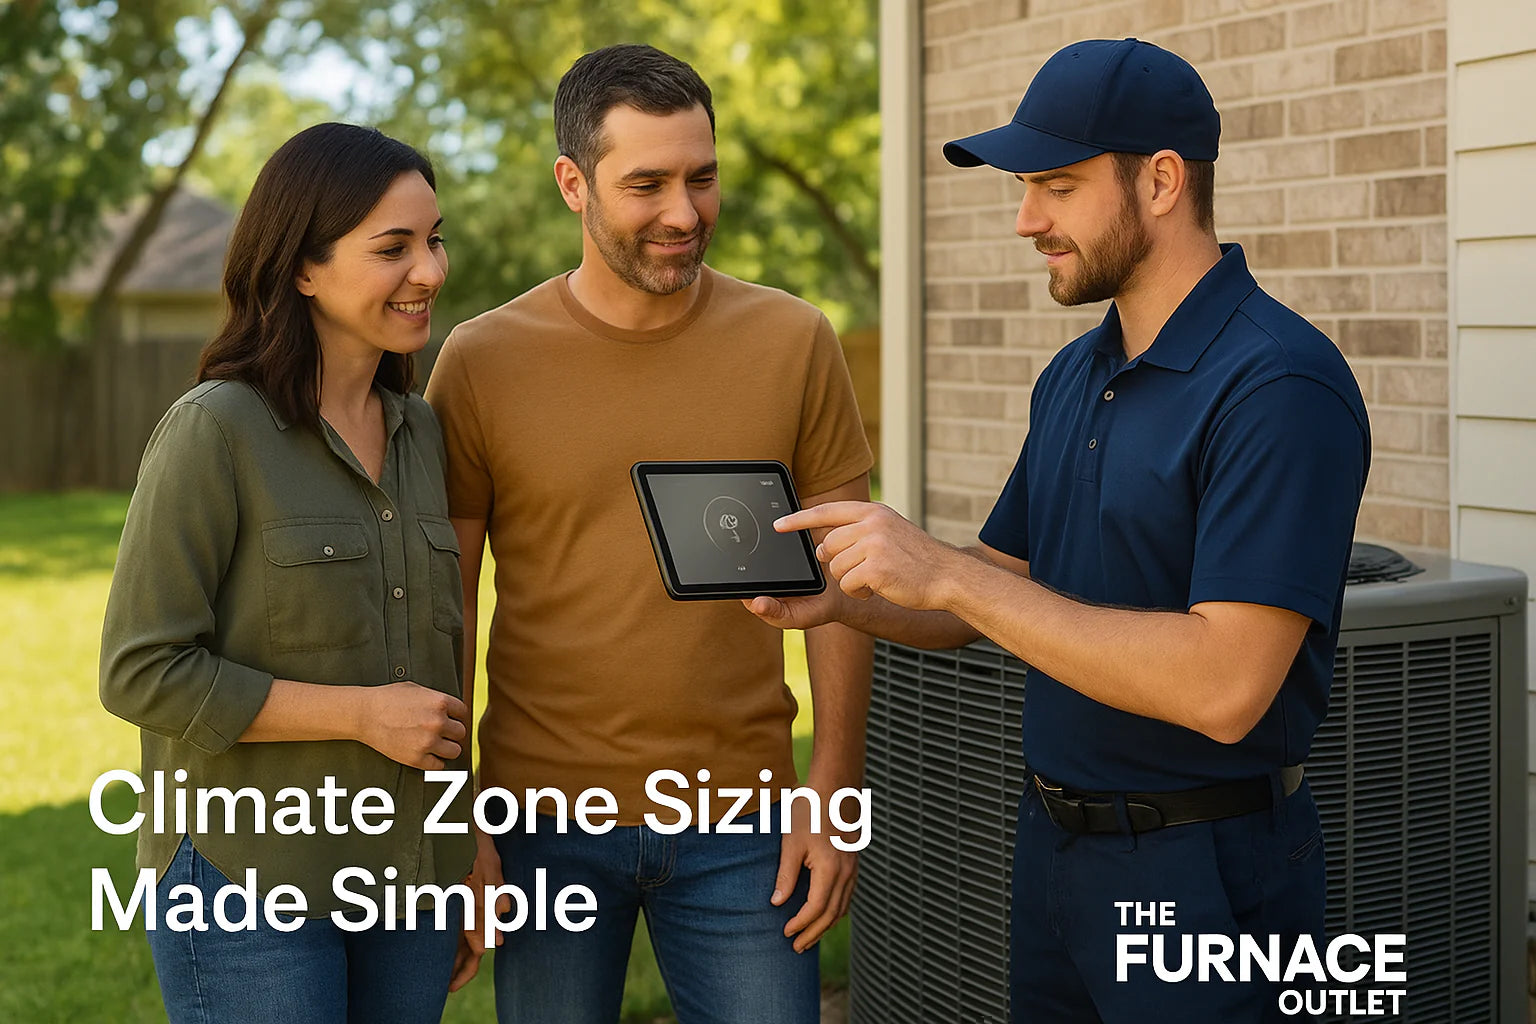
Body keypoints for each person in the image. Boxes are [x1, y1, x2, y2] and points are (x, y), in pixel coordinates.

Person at [747, 38, 1371, 1023]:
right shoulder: (1075, 376)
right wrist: (842, 599)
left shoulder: (1277, 386)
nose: (1027, 218)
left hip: (1204, 874)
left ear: (1161, 180)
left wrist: (953, 578)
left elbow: (1227, 684)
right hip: (1055, 852)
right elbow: (992, 591)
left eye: (1059, 186)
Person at [424, 44, 874, 1024]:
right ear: (572, 183)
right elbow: (444, 605)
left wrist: (833, 794)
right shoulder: (482, 361)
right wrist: (452, 816)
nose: (684, 211)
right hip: (544, 816)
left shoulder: (793, 342)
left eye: (701, 177)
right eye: (648, 184)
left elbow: (845, 588)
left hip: (745, 819)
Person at [99, 122, 476, 1024]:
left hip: (410, 879)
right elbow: (139, 670)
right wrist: (358, 714)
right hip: (246, 884)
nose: (428, 270)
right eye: (393, 248)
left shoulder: (422, 432)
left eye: (433, 240)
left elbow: (444, 663)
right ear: (302, 267)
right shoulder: (216, 429)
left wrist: (463, 854)